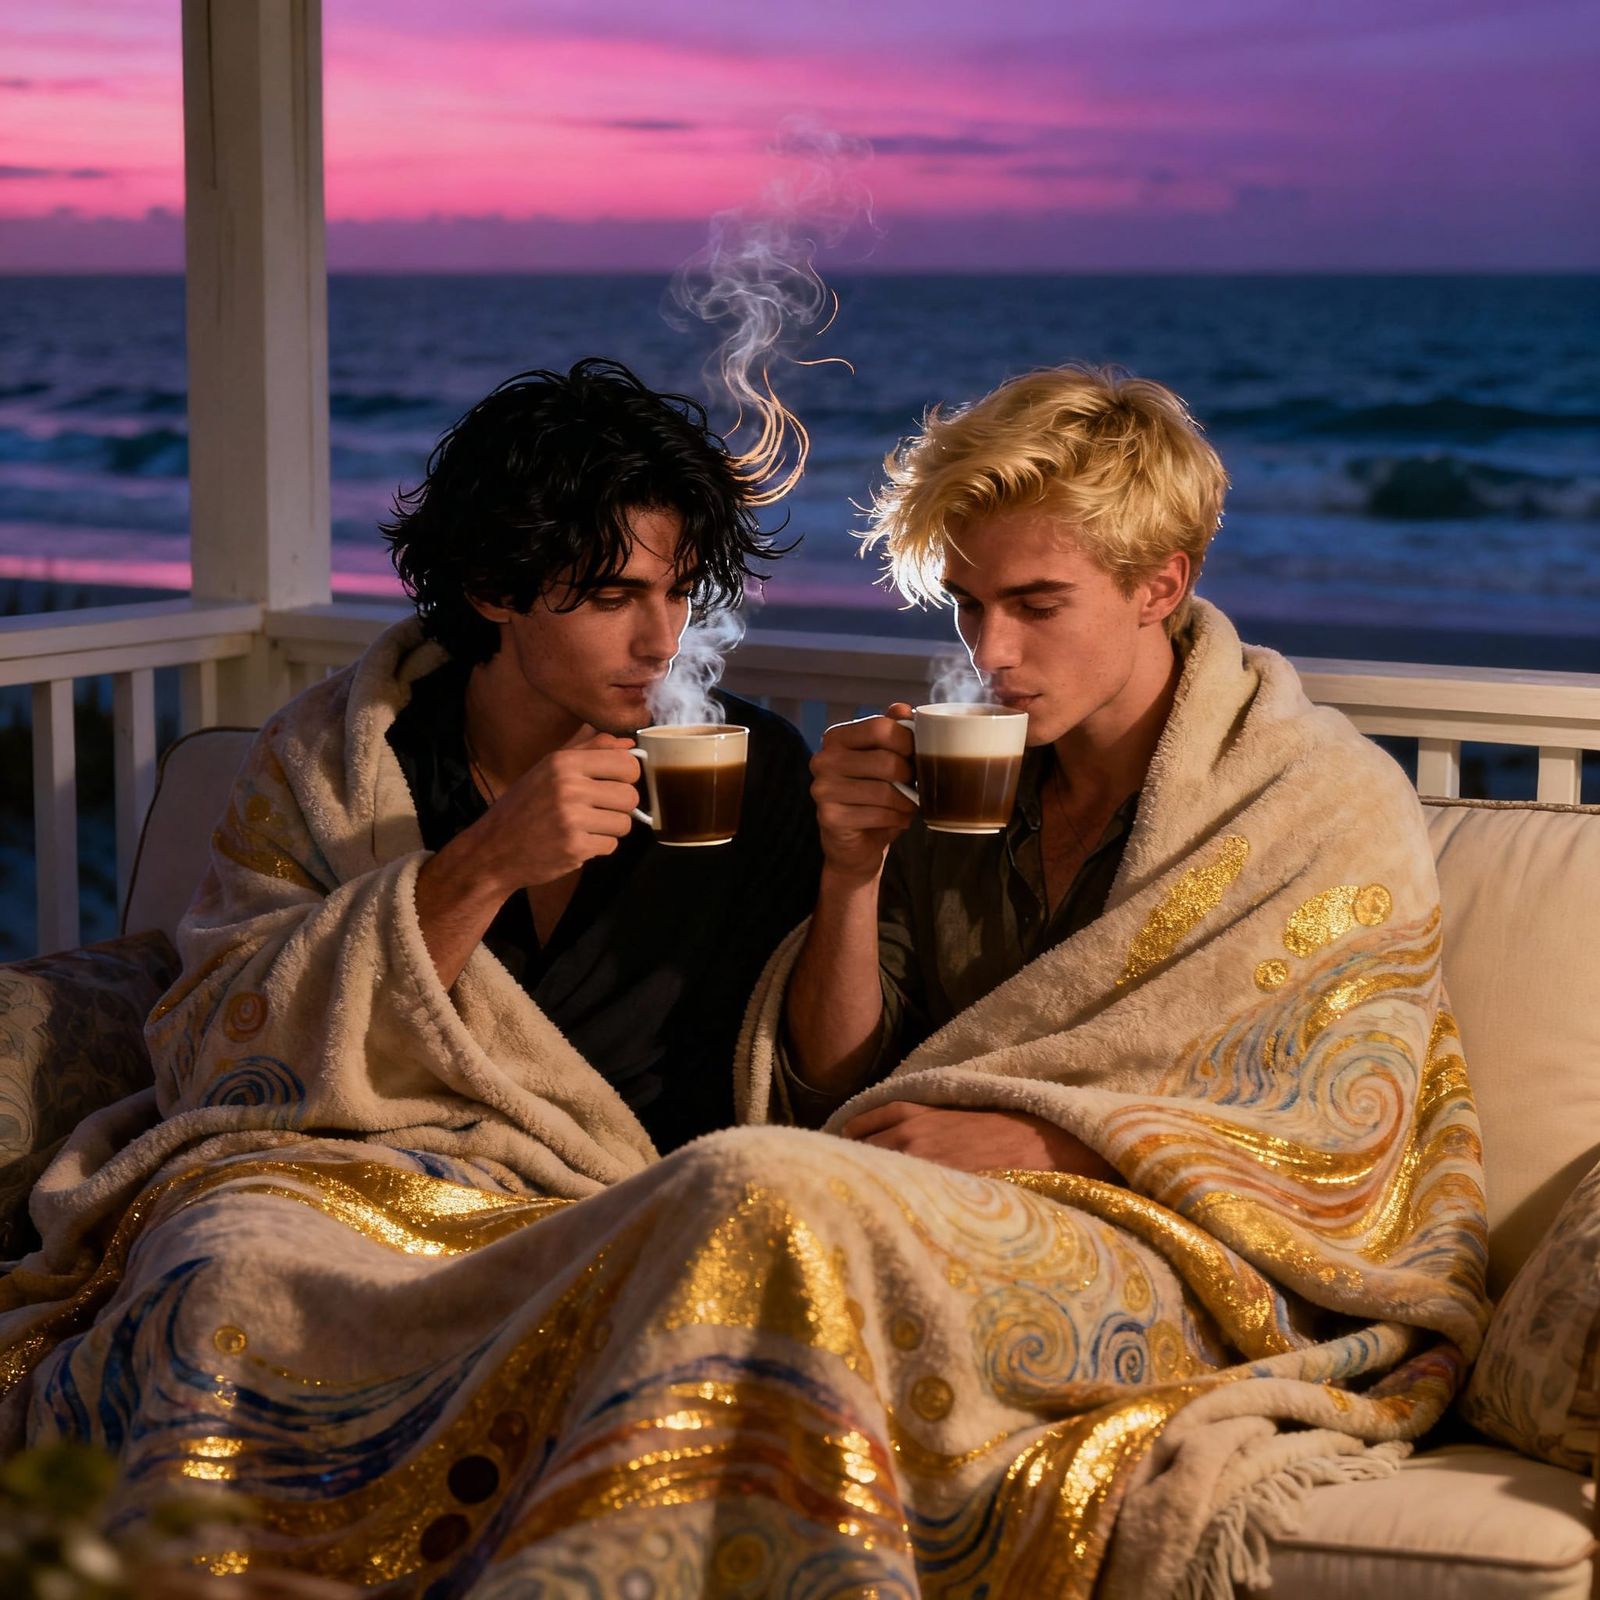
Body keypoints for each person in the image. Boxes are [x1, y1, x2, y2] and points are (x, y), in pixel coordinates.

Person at [0, 365, 1484, 1600]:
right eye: (966, 609)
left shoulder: (1310, 804)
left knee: (755, 1187)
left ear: (1163, 583)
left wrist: (1044, 1137)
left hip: (1150, 1238)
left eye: (1033, 605)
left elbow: (1325, 1122)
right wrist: (845, 878)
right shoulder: (964, 799)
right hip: (488, 1172)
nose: (990, 655)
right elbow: (840, 1081)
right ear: (492, 595)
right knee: (240, 1261)